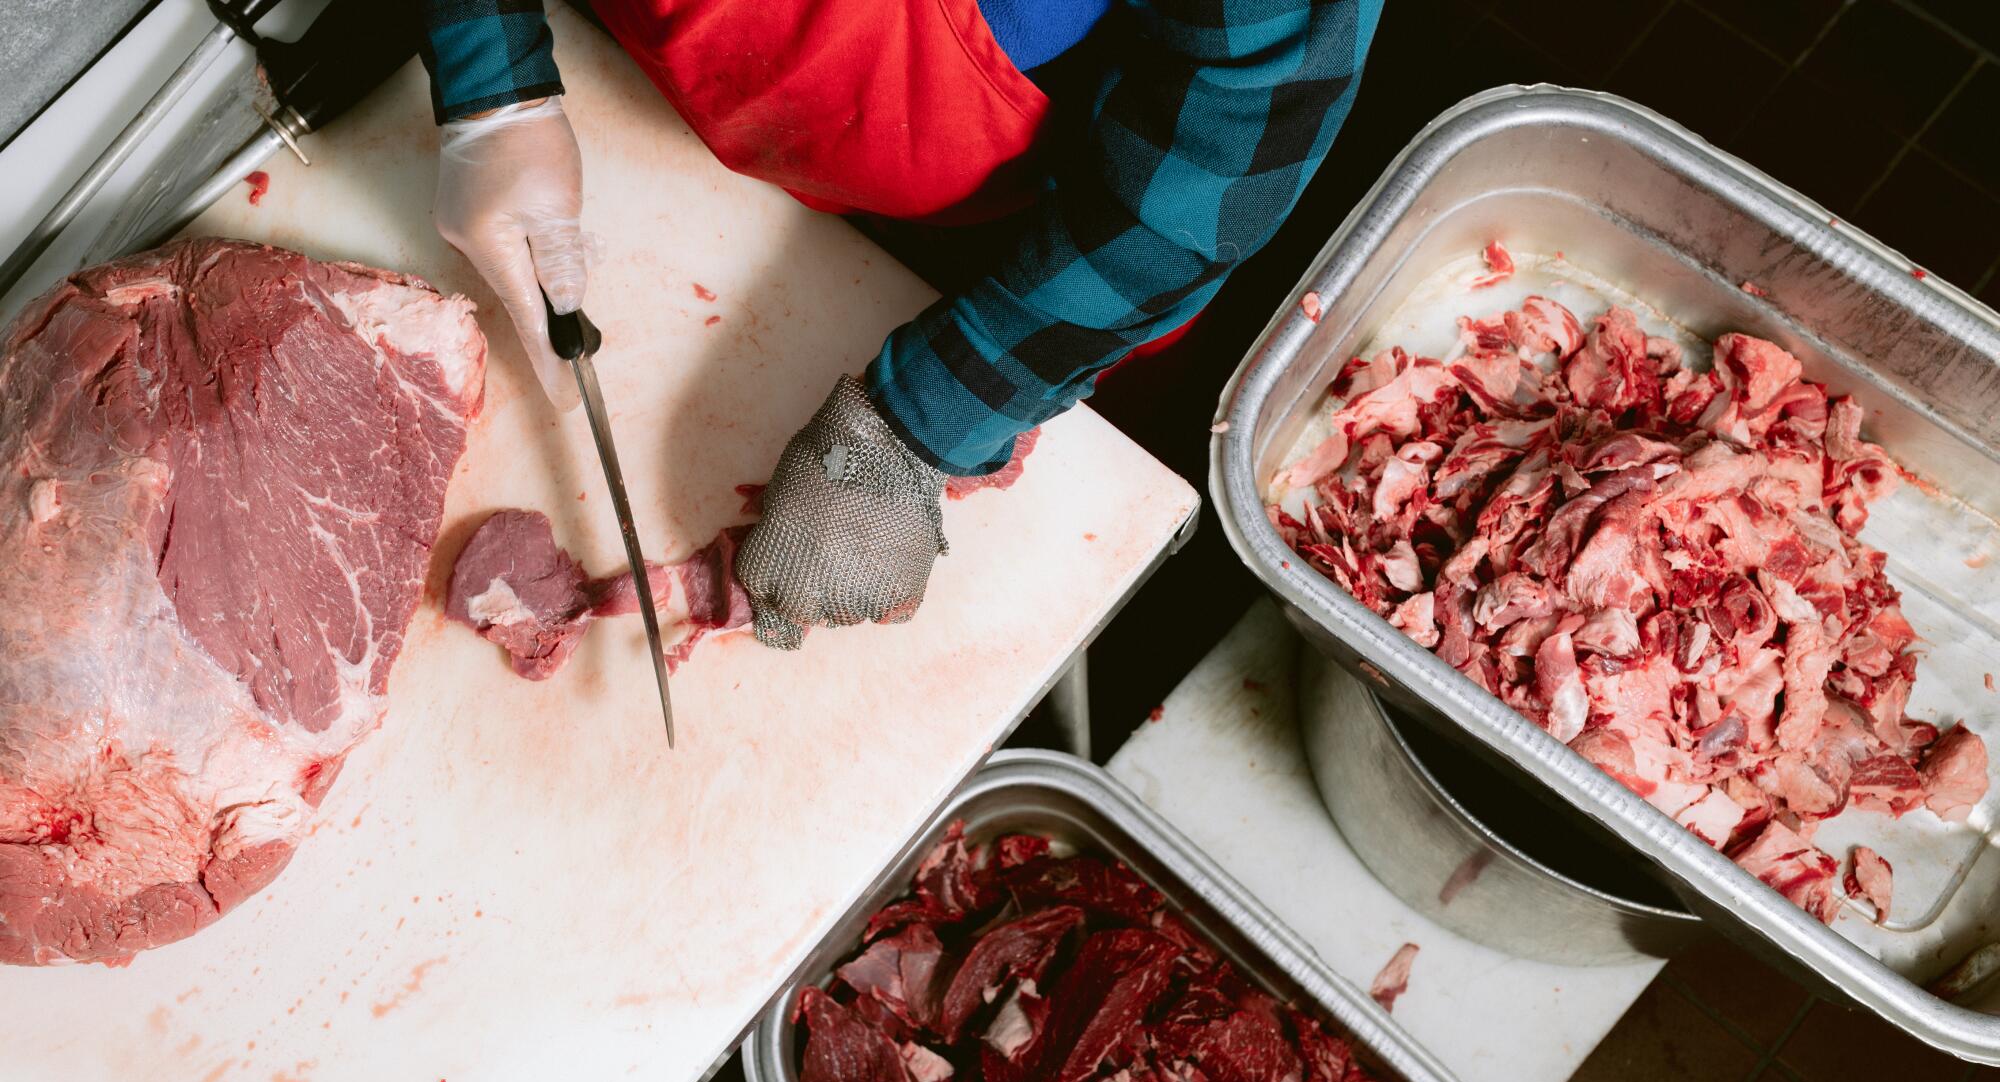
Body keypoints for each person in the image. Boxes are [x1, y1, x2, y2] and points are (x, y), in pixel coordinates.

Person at [418, 0, 1381, 649]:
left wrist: (926, 423)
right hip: (633, 68)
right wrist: (492, 77)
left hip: (1009, 210)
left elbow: (1240, 127)